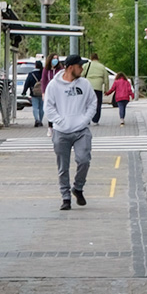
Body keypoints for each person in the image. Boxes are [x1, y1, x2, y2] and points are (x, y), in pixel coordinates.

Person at [44, 53, 98, 210]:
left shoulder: (84, 84)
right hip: (61, 132)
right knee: (63, 166)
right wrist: (60, 121)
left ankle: (78, 187)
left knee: (84, 160)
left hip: (81, 130)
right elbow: (48, 107)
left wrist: (85, 119)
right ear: (70, 68)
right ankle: (65, 197)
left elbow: (92, 102)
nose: (82, 69)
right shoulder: (54, 86)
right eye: (79, 66)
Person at [23, 57, 49, 128]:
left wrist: (24, 91)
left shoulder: (31, 74)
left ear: (35, 66)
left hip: (34, 93)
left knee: (35, 107)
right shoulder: (43, 73)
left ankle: (36, 120)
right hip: (43, 92)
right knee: (41, 107)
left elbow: (27, 83)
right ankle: (40, 121)